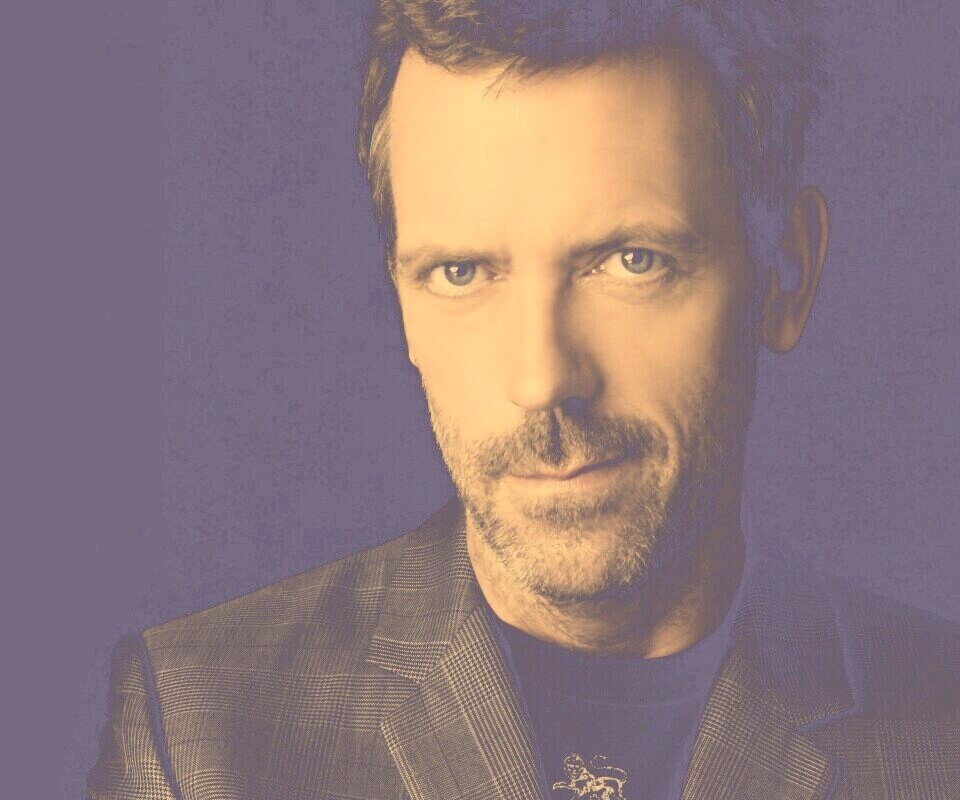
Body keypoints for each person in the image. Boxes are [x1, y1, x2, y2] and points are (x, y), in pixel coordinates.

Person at [88, 2, 960, 799]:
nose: (542, 380)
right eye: (461, 273)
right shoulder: (199, 732)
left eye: (631, 262)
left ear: (786, 274)